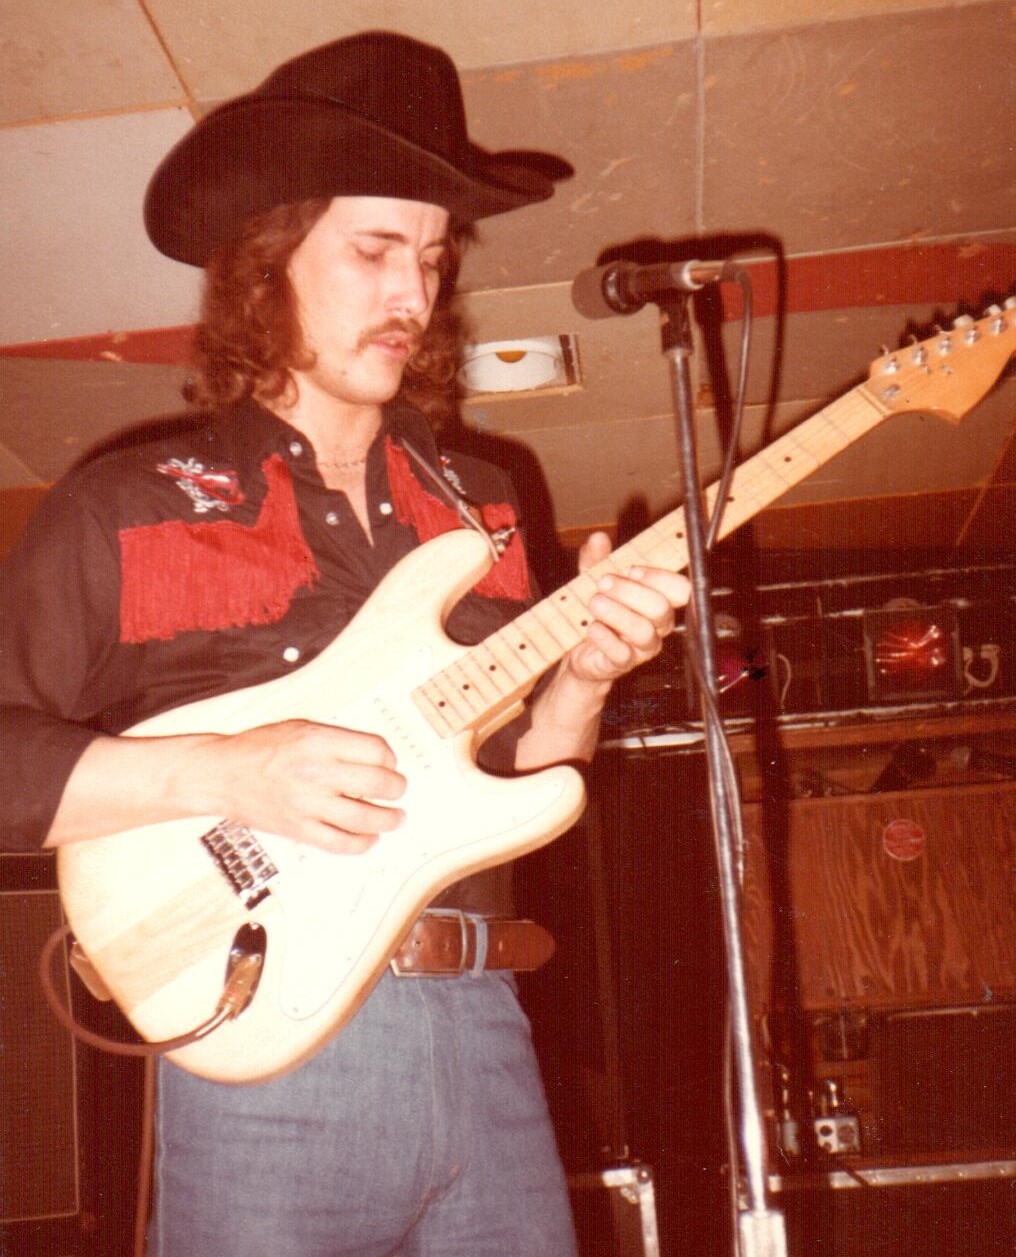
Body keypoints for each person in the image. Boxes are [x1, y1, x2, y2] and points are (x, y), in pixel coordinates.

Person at [0, 32, 688, 1256]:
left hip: (485, 1026)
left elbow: (518, 785)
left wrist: (583, 680)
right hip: (269, 1053)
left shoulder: (483, 501)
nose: (412, 296)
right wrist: (229, 770)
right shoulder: (128, 504)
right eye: (373, 251)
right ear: (264, 266)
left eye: (430, 258)